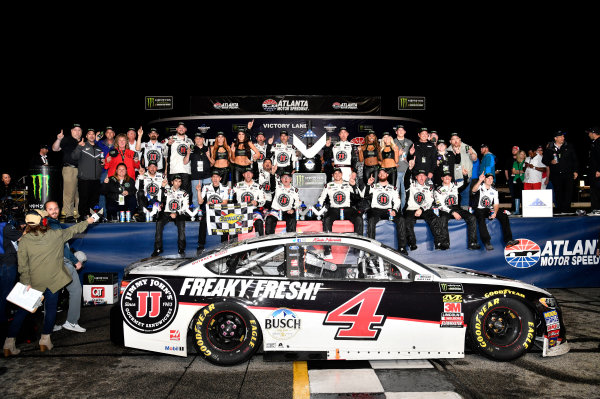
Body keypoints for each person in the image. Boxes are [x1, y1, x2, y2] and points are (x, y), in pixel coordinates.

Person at [3, 210, 96, 356]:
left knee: (22, 312)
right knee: (51, 309)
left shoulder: (24, 240)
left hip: (33, 282)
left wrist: (25, 282)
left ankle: (9, 343)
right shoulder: (55, 235)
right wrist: (88, 221)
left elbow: (22, 265)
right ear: (43, 222)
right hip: (53, 281)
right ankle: (45, 341)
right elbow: (74, 229)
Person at [44, 201, 86, 333]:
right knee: (76, 291)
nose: (54, 211)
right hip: (63, 262)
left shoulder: (46, 224)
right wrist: (75, 261)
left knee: (51, 294)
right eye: (50, 209)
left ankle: (48, 326)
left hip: (50, 263)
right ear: (45, 211)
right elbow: (61, 246)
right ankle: (71, 322)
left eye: (56, 208)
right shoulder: (53, 225)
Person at [363, 168, 407, 255]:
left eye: (384, 173)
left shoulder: (393, 188)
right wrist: (368, 184)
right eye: (380, 173)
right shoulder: (374, 186)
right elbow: (364, 195)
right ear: (378, 176)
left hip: (388, 210)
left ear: (387, 175)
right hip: (376, 210)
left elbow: (397, 201)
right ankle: (371, 248)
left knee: (401, 219)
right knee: (371, 220)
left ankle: (402, 247)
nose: (382, 174)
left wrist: (394, 210)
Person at [471, 173, 519, 250]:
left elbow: (496, 204)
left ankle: (508, 240)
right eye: (488, 178)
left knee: (504, 215)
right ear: (484, 179)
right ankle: (487, 241)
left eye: (491, 178)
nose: (490, 180)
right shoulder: (479, 186)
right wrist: (480, 180)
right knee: (481, 218)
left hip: (488, 209)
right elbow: (473, 190)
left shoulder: (494, 190)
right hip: (478, 209)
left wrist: (495, 212)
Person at [434, 170, 480, 250]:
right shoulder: (438, 190)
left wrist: (465, 176)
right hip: (445, 209)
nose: (447, 177)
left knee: (472, 217)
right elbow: (440, 205)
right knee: (443, 219)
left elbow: (466, 183)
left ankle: (472, 243)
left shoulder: (455, 186)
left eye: (449, 176)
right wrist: (452, 212)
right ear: (442, 178)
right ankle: (445, 243)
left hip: (456, 208)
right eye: (445, 176)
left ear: (451, 178)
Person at [403, 165, 444, 251]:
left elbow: (430, 201)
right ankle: (412, 244)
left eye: (423, 175)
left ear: (426, 177)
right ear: (416, 177)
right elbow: (406, 178)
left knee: (435, 219)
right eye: (419, 175)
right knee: (407, 221)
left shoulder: (429, 187)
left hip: (424, 209)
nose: (421, 177)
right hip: (411, 209)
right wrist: (409, 169)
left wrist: (421, 209)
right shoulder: (411, 185)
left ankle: (439, 242)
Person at [317, 168, 364, 241]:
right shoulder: (328, 185)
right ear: (332, 175)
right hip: (334, 209)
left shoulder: (348, 183)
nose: (337, 175)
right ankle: (327, 248)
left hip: (347, 209)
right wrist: (319, 207)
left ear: (342, 174)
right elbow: (321, 198)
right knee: (327, 219)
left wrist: (354, 185)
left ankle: (359, 246)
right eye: (335, 173)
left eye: (339, 173)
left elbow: (360, 195)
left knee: (359, 218)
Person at [542, 131, 579, 214]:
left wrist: (575, 171)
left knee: (568, 192)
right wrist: (551, 161)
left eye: (563, 136)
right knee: (558, 192)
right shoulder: (549, 148)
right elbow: (544, 160)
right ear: (555, 138)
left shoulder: (569, 146)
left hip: (568, 173)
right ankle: (560, 209)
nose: (563, 138)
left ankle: (567, 209)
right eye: (561, 136)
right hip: (556, 175)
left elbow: (575, 160)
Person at [152, 175, 189, 256]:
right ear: (172, 182)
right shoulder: (167, 190)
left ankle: (181, 249)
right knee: (159, 222)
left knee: (182, 224)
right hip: (167, 212)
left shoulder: (184, 193)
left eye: (179, 181)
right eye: (176, 181)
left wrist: (176, 212)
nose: (177, 183)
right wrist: (162, 186)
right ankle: (158, 248)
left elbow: (185, 207)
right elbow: (159, 199)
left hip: (178, 213)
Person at [52, 124, 82, 223]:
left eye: (79, 130)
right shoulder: (67, 140)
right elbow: (55, 149)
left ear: (81, 132)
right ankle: (68, 215)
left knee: (78, 194)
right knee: (69, 193)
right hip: (70, 169)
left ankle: (76, 214)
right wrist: (59, 139)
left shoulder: (83, 142)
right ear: (71, 131)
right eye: (75, 130)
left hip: (82, 170)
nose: (77, 132)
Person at [72, 128, 104, 221]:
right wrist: (79, 147)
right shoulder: (82, 145)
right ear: (86, 136)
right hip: (84, 179)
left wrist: (103, 164)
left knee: (94, 201)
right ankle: (82, 218)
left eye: (93, 134)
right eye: (89, 134)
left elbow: (100, 163)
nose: (91, 135)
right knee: (84, 200)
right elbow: (74, 157)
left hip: (96, 180)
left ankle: (93, 218)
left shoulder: (99, 148)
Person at [196, 170, 230, 255]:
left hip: (220, 211)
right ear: (211, 178)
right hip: (210, 212)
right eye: (213, 177)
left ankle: (224, 246)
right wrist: (198, 191)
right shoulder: (206, 187)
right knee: (203, 222)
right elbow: (200, 202)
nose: (215, 179)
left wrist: (215, 204)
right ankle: (200, 246)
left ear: (220, 178)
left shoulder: (225, 188)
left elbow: (225, 202)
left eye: (217, 177)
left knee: (226, 223)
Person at [0, 214, 23, 328]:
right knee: (6, 292)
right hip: (7, 262)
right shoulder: (6, 226)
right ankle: (3, 320)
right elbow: (21, 238)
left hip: (3, 260)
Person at [231, 167, 266, 236]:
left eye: (250, 173)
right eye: (246, 173)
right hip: (241, 211)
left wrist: (257, 203)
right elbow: (229, 197)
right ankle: (234, 244)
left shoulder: (258, 186)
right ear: (243, 174)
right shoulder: (237, 185)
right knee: (232, 222)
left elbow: (263, 201)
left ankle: (259, 242)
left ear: (252, 175)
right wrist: (229, 192)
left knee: (259, 221)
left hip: (253, 211)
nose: (248, 175)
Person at [449, 132, 478, 209]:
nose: (455, 141)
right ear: (450, 141)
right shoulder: (447, 150)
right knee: (452, 196)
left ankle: (464, 213)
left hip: (465, 176)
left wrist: (472, 153)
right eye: (453, 139)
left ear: (460, 139)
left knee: (465, 195)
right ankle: (453, 213)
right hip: (452, 178)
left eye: (457, 139)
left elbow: (475, 159)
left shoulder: (467, 147)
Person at [165, 122, 193, 197]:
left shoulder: (190, 141)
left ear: (185, 129)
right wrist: (168, 144)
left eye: (183, 127)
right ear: (176, 129)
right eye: (179, 127)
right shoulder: (170, 139)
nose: (181, 129)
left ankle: (185, 207)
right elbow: (164, 153)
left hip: (186, 170)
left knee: (185, 192)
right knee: (173, 191)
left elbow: (192, 155)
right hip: (174, 169)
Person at [189, 132, 213, 207]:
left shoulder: (208, 148)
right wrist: (187, 153)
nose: (198, 140)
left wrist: (209, 156)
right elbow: (185, 162)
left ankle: (209, 213)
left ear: (203, 139)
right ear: (194, 140)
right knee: (196, 196)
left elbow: (212, 164)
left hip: (207, 176)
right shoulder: (191, 149)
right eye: (196, 139)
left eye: (200, 138)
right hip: (196, 176)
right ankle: (197, 213)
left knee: (209, 195)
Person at [393, 124, 413, 210]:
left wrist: (411, 154)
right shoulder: (392, 142)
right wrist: (397, 154)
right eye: (399, 130)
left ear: (405, 132)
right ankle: (396, 210)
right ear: (396, 132)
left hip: (406, 170)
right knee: (396, 192)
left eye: (402, 130)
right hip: (396, 170)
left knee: (404, 192)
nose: (400, 131)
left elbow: (412, 157)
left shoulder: (409, 142)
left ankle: (403, 210)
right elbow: (388, 157)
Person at [585, 127, 600, 214]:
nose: (589, 134)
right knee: (593, 190)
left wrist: (599, 170)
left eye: (589, 133)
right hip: (593, 172)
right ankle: (595, 209)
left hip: (597, 172)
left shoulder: (598, 142)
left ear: (594, 133)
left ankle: (597, 209)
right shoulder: (594, 143)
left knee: (597, 191)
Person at [504, 146, 519, 212]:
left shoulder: (520, 159)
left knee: (518, 193)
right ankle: (513, 207)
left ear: (518, 151)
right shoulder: (509, 159)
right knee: (512, 194)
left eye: (515, 150)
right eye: (513, 150)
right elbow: (506, 170)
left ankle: (518, 208)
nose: (514, 151)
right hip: (511, 179)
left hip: (519, 179)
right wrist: (507, 178)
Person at [511, 150, 526, 215]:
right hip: (516, 180)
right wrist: (521, 171)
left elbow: (525, 170)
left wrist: (518, 171)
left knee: (523, 195)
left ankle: (524, 210)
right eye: (521, 154)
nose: (522, 155)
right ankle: (517, 210)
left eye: (523, 154)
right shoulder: (515, 162)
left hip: (523, 180)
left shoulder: (526, 162)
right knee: (516, 195)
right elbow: (513, 171)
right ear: (518, 155)